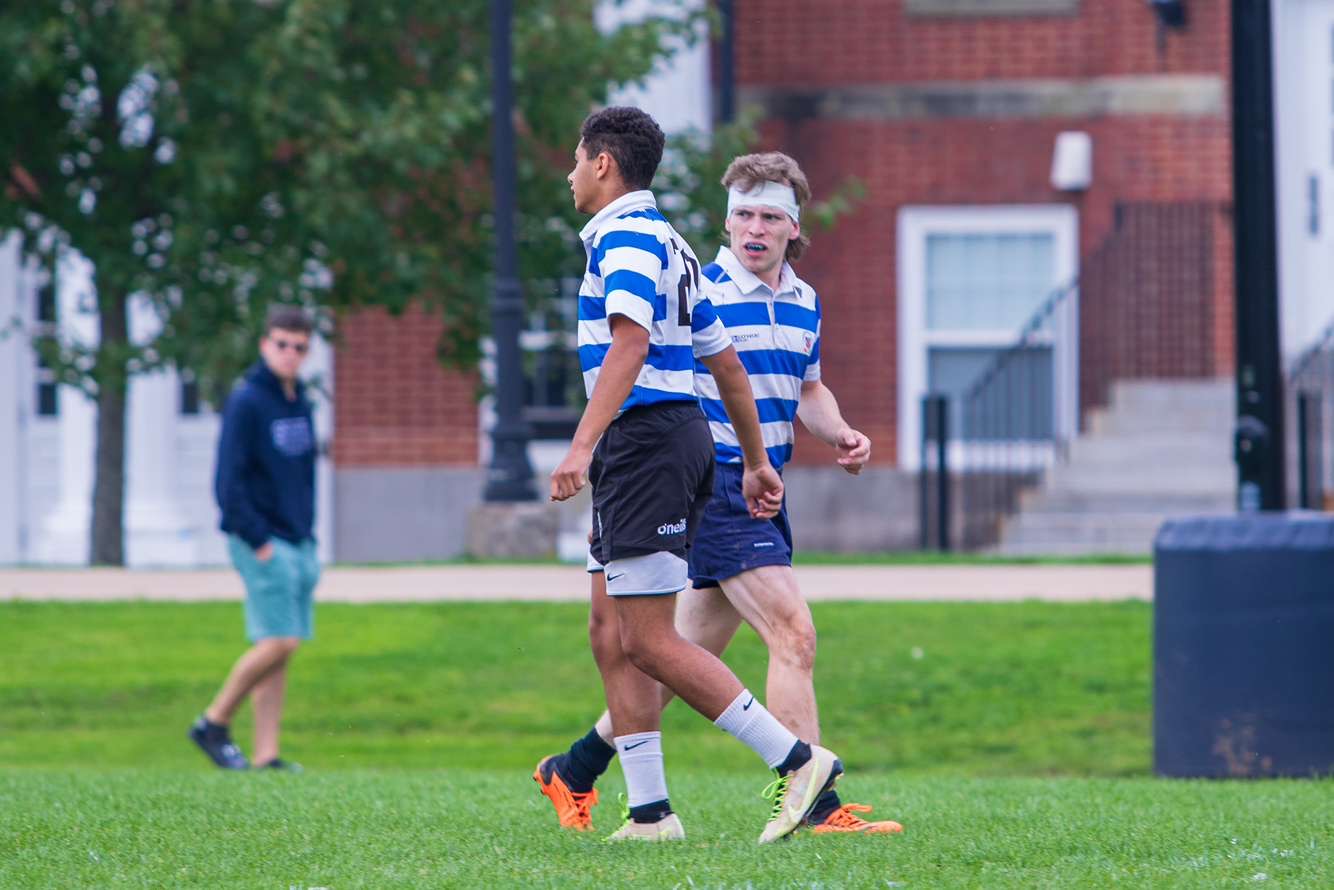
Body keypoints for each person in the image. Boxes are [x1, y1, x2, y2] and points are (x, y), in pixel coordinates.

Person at [536, 152, 902, 836]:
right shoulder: (698, 285)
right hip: (716, 484)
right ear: (727, 222)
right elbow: (656, 370)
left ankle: (577, 767)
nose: (754, 228)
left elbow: (808, 389)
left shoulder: (804, 301)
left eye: (770, 217)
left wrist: (841, 433)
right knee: (792, 631)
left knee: (667, 655)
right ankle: (813, 800)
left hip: (759, 486)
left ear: (794, 228)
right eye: (743, 215)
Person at [189, 305, 320, 772]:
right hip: (262, 539)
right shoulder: (247, 402)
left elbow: (301, 476)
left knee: (278, 650)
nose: (290, 354)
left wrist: (306, 533)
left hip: (297, 539)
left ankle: (266, 754)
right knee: (281, 641)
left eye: (299, 347)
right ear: (266, 344)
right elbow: (227, 484)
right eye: (282, 344)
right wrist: (258, 539)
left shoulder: (299, 402)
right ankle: (214, 722)